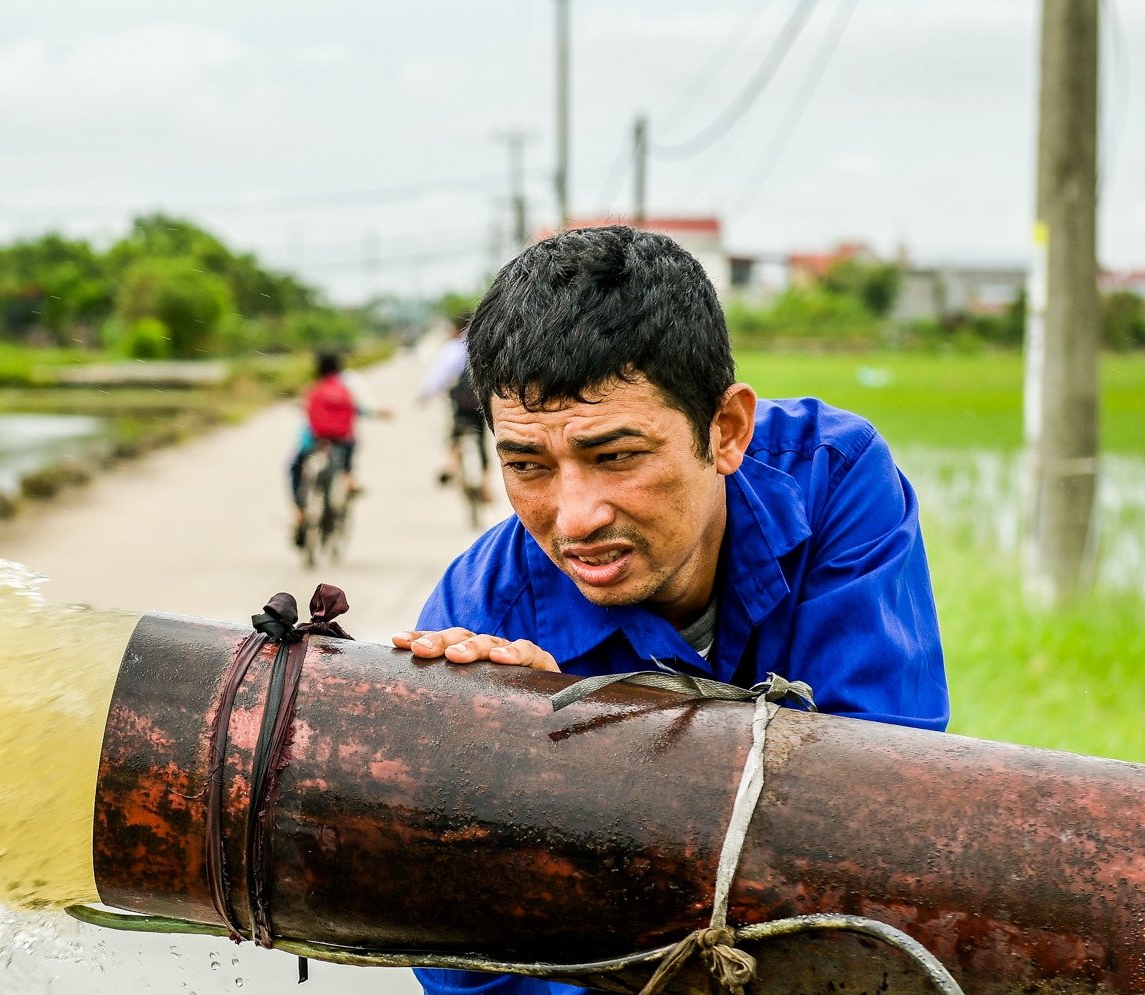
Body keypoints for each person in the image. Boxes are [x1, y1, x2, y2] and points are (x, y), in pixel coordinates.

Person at [388, 226, 949, 995]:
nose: (574, 516)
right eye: (527, 465)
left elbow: (878, 814)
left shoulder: (832, 482)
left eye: (616, 455)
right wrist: (503, 764)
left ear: (726, 431)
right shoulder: (481, 611)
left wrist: (579, 760)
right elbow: (463, 964)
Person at [289, 352, 381, 547]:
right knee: (350, 448)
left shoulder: (314, 389)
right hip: (342, 440)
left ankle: (299, 512)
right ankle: (349, 480)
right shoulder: (345, 387)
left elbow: (305, 412)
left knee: (294, 467)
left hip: (316, 440)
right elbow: (358, 410)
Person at [419, 315, 489, 501]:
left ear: (456, 328)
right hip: (481, 403)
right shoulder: (485, 343)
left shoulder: (452, 348)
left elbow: (439, 376)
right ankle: (486, 484)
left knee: (455, 434)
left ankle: (451, 466)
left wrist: (425, 395)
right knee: (481, 440)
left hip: (461, 403)